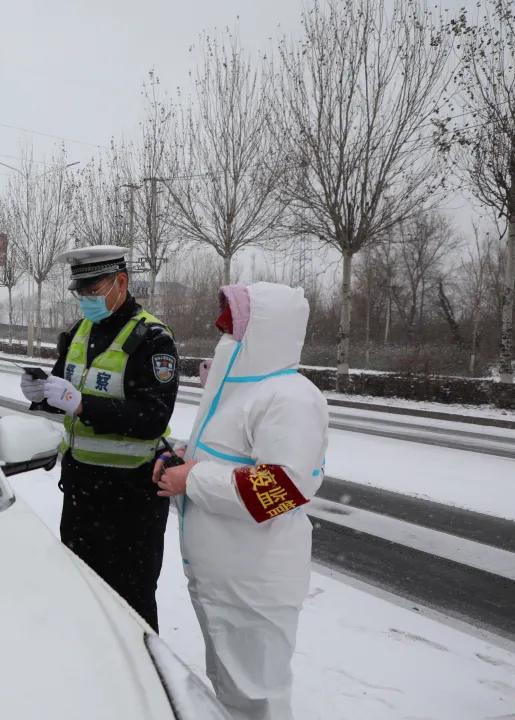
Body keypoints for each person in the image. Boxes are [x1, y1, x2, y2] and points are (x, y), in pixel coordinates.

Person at [153, 282, 329, 720]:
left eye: (234, 326)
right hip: (224, 581)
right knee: (233, 693)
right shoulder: (238, 392)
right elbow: (222, 460)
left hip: (255, 584)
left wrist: (191, 479)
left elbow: (283, 490)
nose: (224, 333)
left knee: (258, 698)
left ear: (266, 329)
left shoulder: (290, 396)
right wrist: (180, 460)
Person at [19, 245, 179, 632]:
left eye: (93, 290)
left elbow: (152, 417)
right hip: (82, 492)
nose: (85, 299)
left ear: (120, 282)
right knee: (81, 597)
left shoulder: (152, 339)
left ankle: (143, 688)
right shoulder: (78, 332)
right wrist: (43, 396)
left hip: (132, 498)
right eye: (81, 291)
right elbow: (66, 395)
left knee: (132, 606)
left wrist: (80, 405)